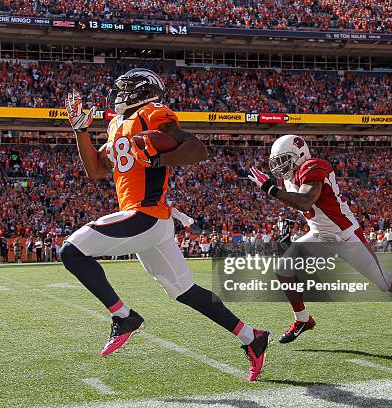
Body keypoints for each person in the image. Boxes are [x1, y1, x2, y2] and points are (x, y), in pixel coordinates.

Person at [61, 68, 269, 381]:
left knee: (72, 251)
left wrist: (156, 160)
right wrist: (80, 132)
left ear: (142, 91)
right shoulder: (118, 123)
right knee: (182, 290)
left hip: (145, 215)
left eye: (126, 89)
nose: (119, 94)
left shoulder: (152, 113)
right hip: (150, 222)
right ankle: (251, 336)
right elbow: (95, 169)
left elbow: (196, 147)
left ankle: (123, 316)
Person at [248, 134, 392, 348]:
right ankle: (303, 319)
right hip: (320, 235)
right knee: (284, 268)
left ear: (299, 154)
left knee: (384, 282)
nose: (280, 166)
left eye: (284, 159)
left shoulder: (314, 166)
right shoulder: (289, 177)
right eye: (277, 162)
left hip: (345, 236)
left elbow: (305, 201)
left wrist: (270, 189)